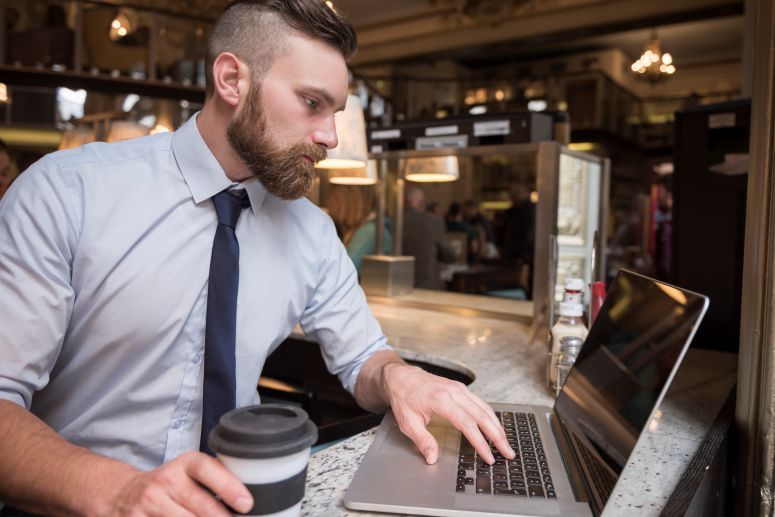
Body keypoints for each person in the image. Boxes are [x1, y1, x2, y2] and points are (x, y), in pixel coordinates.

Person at [0, 2, 513, 516]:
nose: (330, 137)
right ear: (231, 79)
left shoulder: (311, 230)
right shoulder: (67, 193)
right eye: (312, 102)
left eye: (334, 112)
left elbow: (363, 359)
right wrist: (119, 492)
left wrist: (401, 377)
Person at [326, 184, 392, 273]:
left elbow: (341, 272)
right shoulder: (361, 228)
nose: (330, 206)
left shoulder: (369, 232)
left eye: (335, 198)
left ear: (354, 198)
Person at [403, 185, 457, 289]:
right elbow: (449, 255)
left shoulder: (392, 220)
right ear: (422, 203)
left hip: (398, 286)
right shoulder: (432, 221)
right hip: (427, 287)